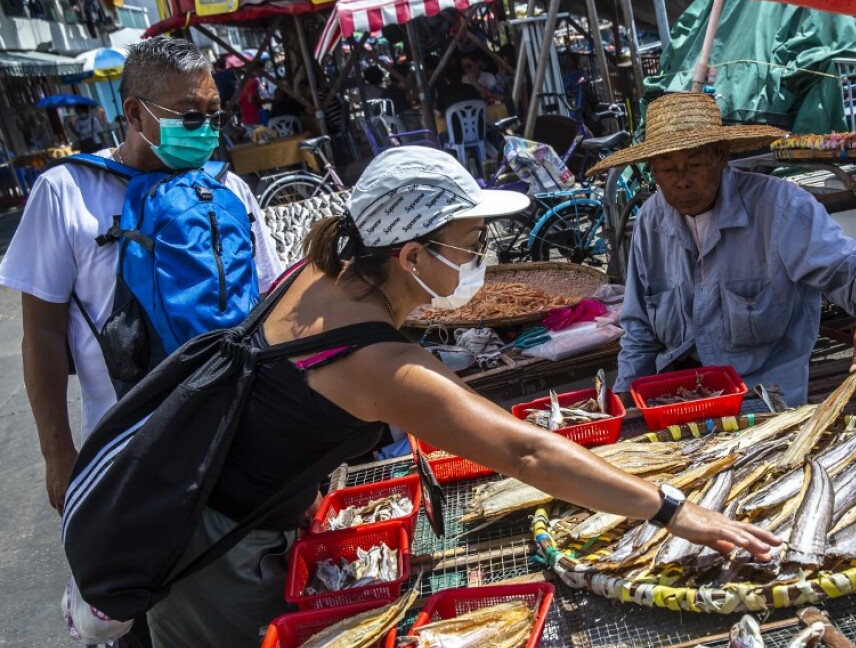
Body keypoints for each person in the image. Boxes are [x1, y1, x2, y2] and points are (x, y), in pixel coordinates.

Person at [144, 146, 781, 646]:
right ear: (412, 255)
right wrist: (675, 513)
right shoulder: (377, 362)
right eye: (471, 244)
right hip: (217, 558)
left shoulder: (321, 274)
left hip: (215, 514)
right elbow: (526, 454)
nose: (481, 257)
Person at [0, 34, 284, 539]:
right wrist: (58, 454)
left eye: (214, 116)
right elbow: (40, 335)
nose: (205, 131)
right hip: (130, 451)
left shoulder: (229, 188)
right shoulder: (65, 192)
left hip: (239, 433)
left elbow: (267, 307)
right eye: (189, 115)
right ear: (134, 114)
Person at [587, 93, 856, 407]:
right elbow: (639, 328)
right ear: (652, 170)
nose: (682, 181)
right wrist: (622, 401)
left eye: (694, 165)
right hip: (676, 400)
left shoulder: (781, 208)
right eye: (667, 169)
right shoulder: (650, 220)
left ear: (722, 157)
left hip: (761, 401)